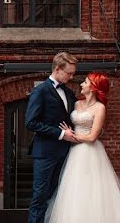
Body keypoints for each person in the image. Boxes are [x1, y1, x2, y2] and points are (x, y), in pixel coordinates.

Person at [46, 72, 120, 223]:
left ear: (94, 88)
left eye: (85, 82)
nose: (81, 84)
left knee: (93, 187)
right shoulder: (76, 103)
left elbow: (92, 137)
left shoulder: (100, 108)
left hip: (90, 151)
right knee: (74, 188)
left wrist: (70, 136)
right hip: (75, 152)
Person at [25, 51, 78, 223]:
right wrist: (62, 134)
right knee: (40, 197)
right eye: (69, 73)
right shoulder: (40, 91)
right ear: (57, 69)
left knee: (57, 196)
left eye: (72, 73)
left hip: (66, 154)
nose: (71, 76)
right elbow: (31, 122)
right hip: (45, 153)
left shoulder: (69, 93)